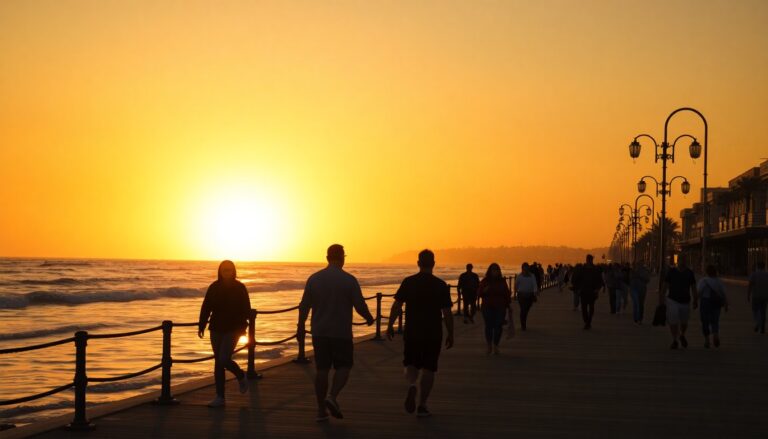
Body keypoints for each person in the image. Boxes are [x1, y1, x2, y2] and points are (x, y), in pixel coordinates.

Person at [297, 244, 374, 422]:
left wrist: (300, 326)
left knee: (322, 369)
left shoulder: (314, 279)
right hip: (341, 332)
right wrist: (369, 317)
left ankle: (320, 410)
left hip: (319, 331)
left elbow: (304, 305)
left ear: (327, 258)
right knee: (344, 366)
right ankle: (332, 396)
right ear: (343, 258)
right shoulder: (349, 280)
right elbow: (359, 304)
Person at [387, 250, 454, 418]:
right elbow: (447, 312)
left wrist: (389, 325)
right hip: (433, 333)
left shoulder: (409, 282)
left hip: (412, 331)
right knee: (429, 368)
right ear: (434, 263)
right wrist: (451, 333)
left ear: (418, 263)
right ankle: (422, 405)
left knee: (410, 364)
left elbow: (396, 306)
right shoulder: (440, 285)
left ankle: (412, 385)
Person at [198, 260, 252, 408]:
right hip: (216, 328)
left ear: (233, 271)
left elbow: (246, 308)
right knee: (218, 362)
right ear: (220, 271)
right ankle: (220, 397)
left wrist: (244, 325)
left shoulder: (240, 287)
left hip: (233, 329)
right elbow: (206, 306)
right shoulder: (214, 287)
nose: (226, 272)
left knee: (224, 358)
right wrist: (201, 325)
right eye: (224, 270)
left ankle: (240, 375)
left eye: (229, 269)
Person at [659, 255, 697, 349]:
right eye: (681, 260)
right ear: (678, 261)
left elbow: (693, 287)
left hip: (685, 301)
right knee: (673, 321)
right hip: (672, 300)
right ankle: (674, 340)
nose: (683, 262)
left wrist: (695, 300)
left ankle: (682, 335)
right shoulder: (671, 272)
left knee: (684, 322)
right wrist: (661, 298)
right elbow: (665, 285)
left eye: (684, 260)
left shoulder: (689, 273)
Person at [478, 263, 514, 354]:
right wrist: (484, 290)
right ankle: (489, 345)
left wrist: (509, 305)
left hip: (500, 307)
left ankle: (496, 345)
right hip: (487, 307)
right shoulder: (485, 281)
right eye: (493, 269)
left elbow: (506, 293)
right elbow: (479, 293)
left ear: (499, 271)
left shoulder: (502, 281)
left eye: (496, 269)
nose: (495, 271)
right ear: (490, 271)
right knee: (489, 326)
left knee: (498, 326)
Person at [697, 265, 728, 348]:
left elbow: (699, 292)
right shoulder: (719, 281)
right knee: (715, 320)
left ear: (706, 272)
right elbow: (723, 294)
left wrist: (695, 301)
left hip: (705, 302)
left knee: (705, 321)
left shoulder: (703, 281)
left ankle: (707, 340)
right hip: (716, 303)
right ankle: (715, 335)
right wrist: (726, 304)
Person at [571, 255, 603, 329]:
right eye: (588, 259)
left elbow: (599, 280)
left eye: (590, 260)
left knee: (591, 308)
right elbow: (577, 279)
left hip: (592, 292)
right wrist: (577, 288)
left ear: (591, 260)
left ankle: (588, 322)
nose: (589, 261)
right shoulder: (582, 269)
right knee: (584, 308)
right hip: (583, 291)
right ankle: (586, 321)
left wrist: (597, 289)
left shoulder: (595, 269)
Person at [514, 262, 538, 331]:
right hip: (521, 295)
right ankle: (523, 324)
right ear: (522, 269)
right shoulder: (519, 276)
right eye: (524, 269)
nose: (525, 270)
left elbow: (534, 284)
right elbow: (516, 285)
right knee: (523, 309)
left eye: (527, 269)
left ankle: (523, 321)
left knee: (526, 310)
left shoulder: (532, 276)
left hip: (530, 295)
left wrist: (535, 292)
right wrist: (516, 293)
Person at [747, 260, 768, 334]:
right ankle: (763, 327)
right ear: (764, 266)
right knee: (763, 312)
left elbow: (750, 285)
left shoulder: (754, 274)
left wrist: (748, 295)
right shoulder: (767, 274)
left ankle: (758, 323)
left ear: (757, 266)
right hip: (765, 296)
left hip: (756, 296)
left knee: (755, 310)